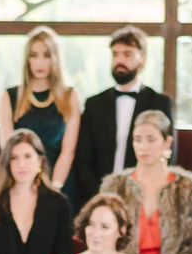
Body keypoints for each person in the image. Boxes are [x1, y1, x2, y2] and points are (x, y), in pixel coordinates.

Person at [96, 109, 192, 254]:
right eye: (137, 139)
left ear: (167, 142)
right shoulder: (115, 187)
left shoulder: (187, 189)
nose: (143, 146)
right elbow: (101, 240)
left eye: (151, 139)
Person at [67, 26, 173, 204]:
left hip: (145, 197)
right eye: (115, 54)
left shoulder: (160, 103)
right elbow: (83, 160)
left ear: (143, 59)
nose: (119, 60)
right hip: (99, 197)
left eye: (127, 54)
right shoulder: (94, 104)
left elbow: (168, 156)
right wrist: (103, 195)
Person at [0, 27, 80, 189]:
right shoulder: (9, 97)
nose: (40, 62)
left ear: (55, 58)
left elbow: (68, 151)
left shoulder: (69, 96)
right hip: (20, 182)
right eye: (33, 56)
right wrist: (26, 187)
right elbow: (8, 150)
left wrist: (54, 187)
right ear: (27, 59)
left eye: (47, 55)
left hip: (59, 181)